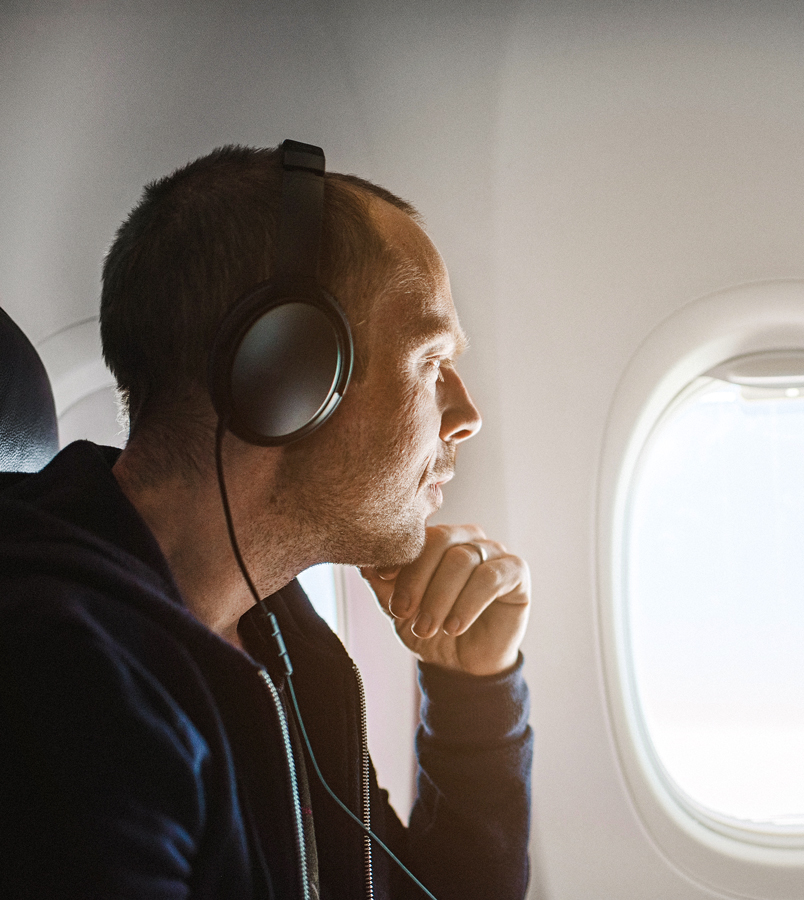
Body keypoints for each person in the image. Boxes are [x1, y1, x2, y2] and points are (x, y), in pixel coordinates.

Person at [0, 144, 533, 899]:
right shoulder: (66, 685)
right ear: (288, 372)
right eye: (429, 360)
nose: (467, 415)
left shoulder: (282, 643)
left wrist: (474, 685)